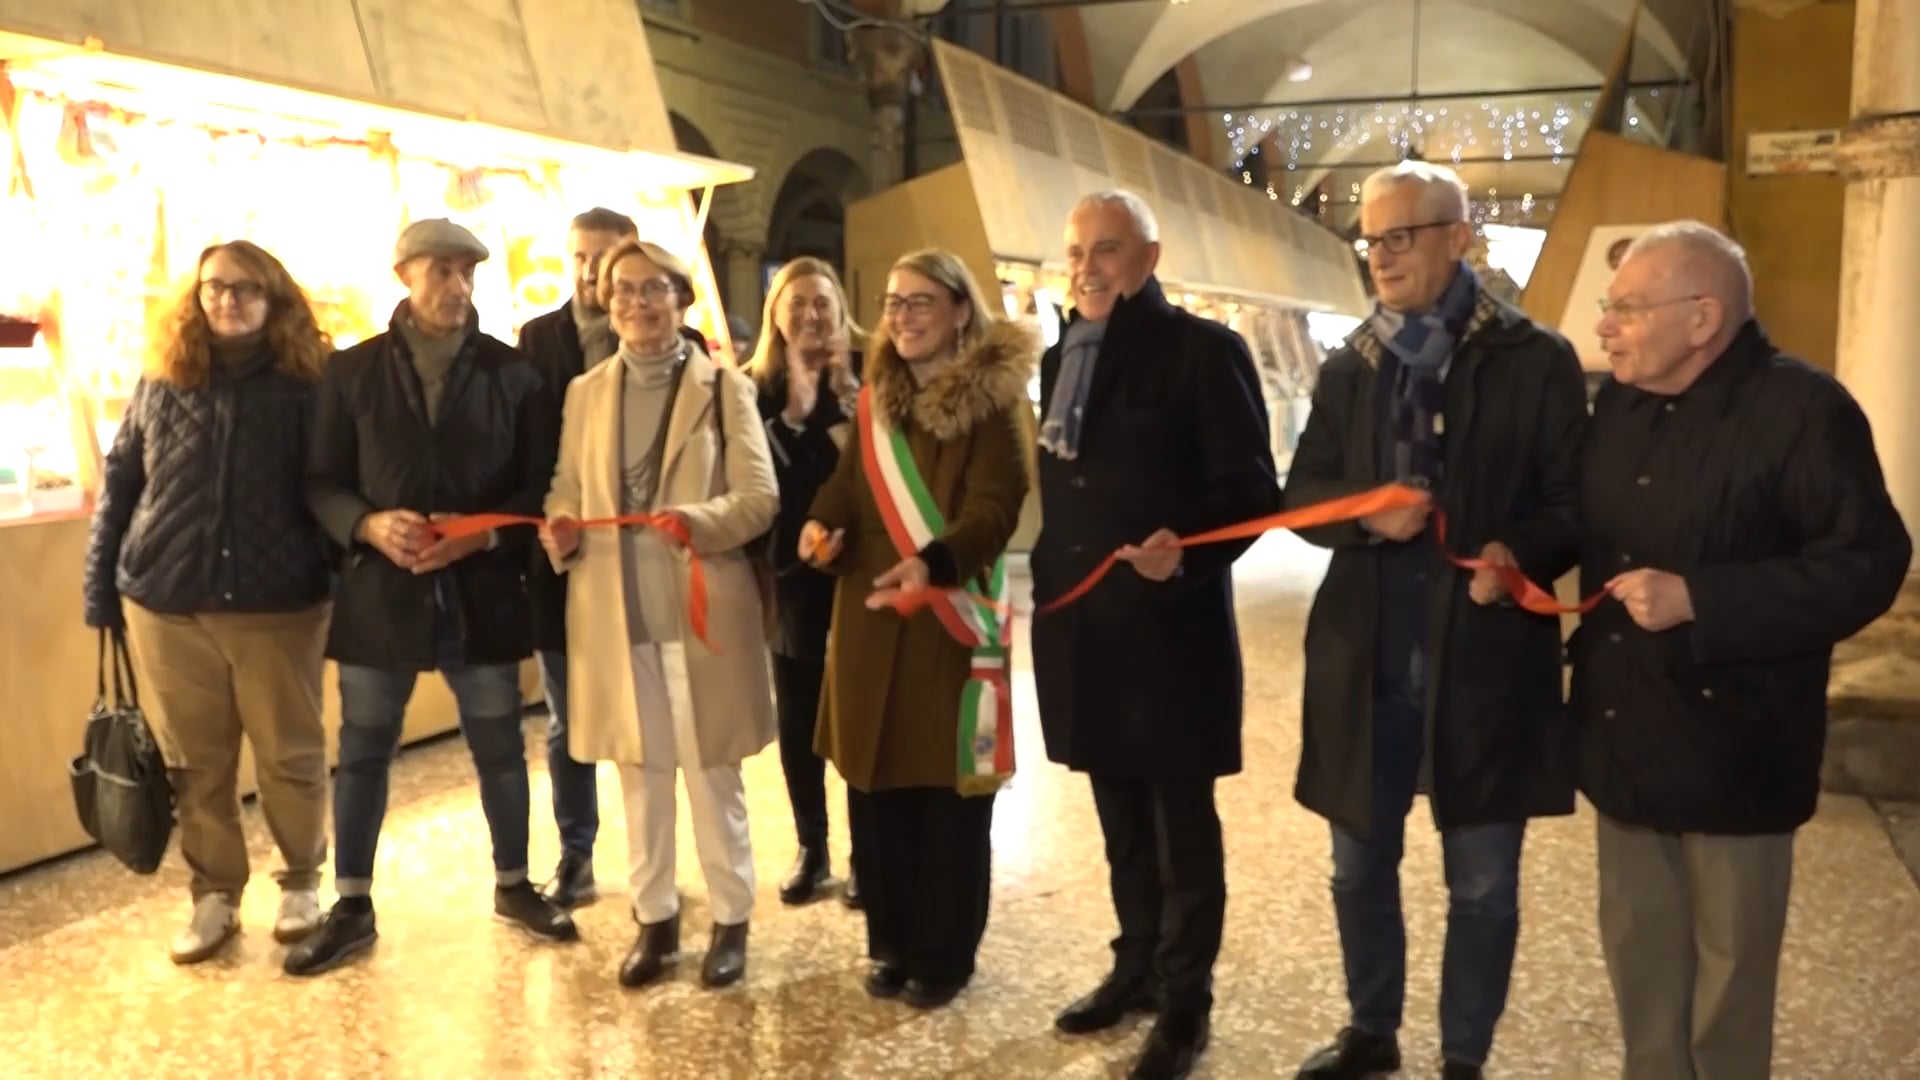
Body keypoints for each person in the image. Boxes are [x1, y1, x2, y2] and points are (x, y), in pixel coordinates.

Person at [1576, 221, 1909, 1080]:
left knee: (1728, 978)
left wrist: (1703, 599)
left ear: (1702, 317)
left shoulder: (1803, 409)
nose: (1604, 326)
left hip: (1738, 747)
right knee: (1641, 958)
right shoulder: (1619, 402)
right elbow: (1584, 524)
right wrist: (1517, 557)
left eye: (1625, 309)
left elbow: (1866, 563)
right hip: (1626, 732)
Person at [1283, 161, 1587, 1080]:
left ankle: (1464, 1057)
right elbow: (1303, 495)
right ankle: (1372, 1031)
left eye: (1400, 236)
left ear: (1460, 237)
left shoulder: (1534, 360)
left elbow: (1575, 503)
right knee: (1355, 870)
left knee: (1484, 884)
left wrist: (1516, 553)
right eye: (1370, 239)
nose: (1381, 256)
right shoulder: (1353, 364)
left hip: (1485, 660)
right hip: (1364, 659)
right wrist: (1365, 515)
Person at [1031, 190, 1280, 1080]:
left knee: (1181, 830)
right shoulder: (1065, 355)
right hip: (1085, 637)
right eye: (1075, 251)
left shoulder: (1202, 354)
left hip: (1169, 641)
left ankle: (1184, 1004)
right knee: (1120, 824)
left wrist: (1189, 551)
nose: (1087, 268)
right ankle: (1133, 967)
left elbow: (1252, 490)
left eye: (1105, 250)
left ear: (1149, 254)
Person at [289, 218, 574, 976]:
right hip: (382, 590)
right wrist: (368, 524)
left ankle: (514, 884)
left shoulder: (516, 376)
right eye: (441, 271)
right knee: (364, 751)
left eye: (467, 273)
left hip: (481, 592)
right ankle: (351, 904)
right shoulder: (348, 375)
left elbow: (539, 487)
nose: (457, 287)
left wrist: (483, 537)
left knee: (499, 747)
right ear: (404, 276)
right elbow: (319, 483)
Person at [82, 240, 334, 964]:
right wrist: (99, 587)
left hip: (278, 603)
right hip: (168, 600)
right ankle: (214, 894)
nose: (229, 301)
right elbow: (122, 482)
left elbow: (336, 485)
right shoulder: (164, 377)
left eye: (247, 289)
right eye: (216, 288)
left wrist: (333, 572)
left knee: (289, 752)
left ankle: (301, 881)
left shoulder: (309, 383)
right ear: (196, 297)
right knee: (197, 761)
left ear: (275, 298)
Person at [539, 239, 778, 990]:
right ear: (606, 307)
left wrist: (696, 520)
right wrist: (563, 527)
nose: (637, 305)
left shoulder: (724, 388)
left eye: (652, 291)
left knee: (712, 774)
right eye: (622, 293)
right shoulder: (586, 392)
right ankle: (655, 921)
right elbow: (564, 488)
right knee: (640, 776)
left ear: (681, 300)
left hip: (700, 614)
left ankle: (731, 920)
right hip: (615, 613)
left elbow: (759, 498)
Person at [801, 248, 1034, 1010]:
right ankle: (891, 942)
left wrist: (933, 564)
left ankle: (943, 955)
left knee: (946, 799)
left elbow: (996, 507)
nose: (900, 317)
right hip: (871, 616)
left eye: (920, 302)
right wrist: (821, 526)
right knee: (874, 790)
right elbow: (846, 487)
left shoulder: (993, 406)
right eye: (893, 303)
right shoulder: (875, 401)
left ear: (961, 310)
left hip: (946, 623)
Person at [516, 206, 638, 909]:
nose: (591, 271)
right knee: (569, 722)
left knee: (647, 714)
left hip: (643, 562)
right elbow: (528, 448)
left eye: (605, 256)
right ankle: (576, 852)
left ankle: (655, 856)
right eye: (580, 257)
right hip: (559, 566)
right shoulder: (537, 340)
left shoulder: (671, 338)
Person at [747, 256, 865, 908]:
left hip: (856, 575)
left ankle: (867, 853)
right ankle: (812, 846)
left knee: (857, 715)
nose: (811, 315)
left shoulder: (868, 381)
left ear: (840, 311)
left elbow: (875, 476)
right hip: (790, 577)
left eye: (823, 303)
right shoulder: (754, 389)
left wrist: (839, 403)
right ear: (777, 317)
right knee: (798, 718)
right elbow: (755, 479)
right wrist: (792, 410)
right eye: (797, 305)